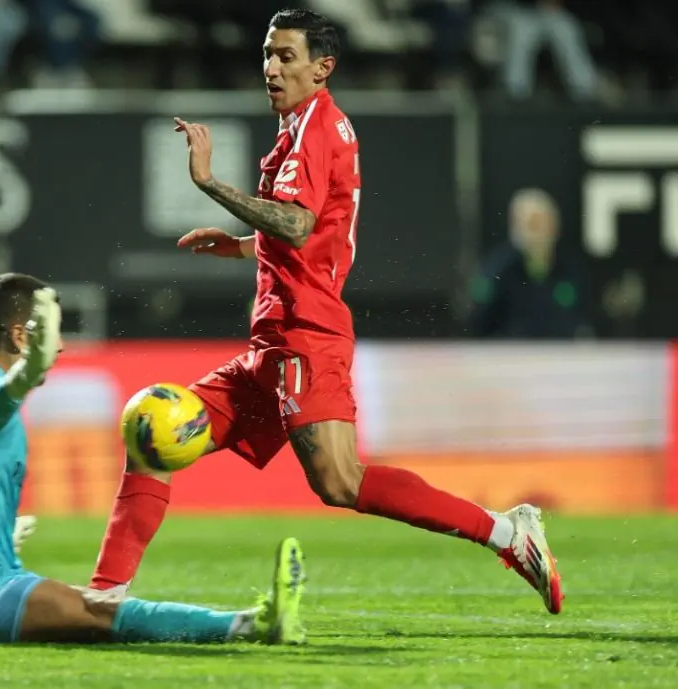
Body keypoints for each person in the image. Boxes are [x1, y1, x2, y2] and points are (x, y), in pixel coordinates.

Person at [87, 9, 564, 616]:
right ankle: (102, 599)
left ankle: (507, 533)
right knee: (152, 439)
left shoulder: (316, 128)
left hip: (305, 337)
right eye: (267, 53)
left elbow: (297, 221)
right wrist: (240, 246)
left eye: (286, 56)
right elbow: (308, 236)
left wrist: (209, 183)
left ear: (323, 67)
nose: (271, 67)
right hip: (272, 346)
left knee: (341, 482)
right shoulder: (300, 128)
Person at [0, 273, 306, 645]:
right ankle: (255, 624)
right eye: (50, 336)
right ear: (22, 337)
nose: (60, 347)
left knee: (82, 611)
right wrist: (22, 380)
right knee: (104, 616)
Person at [468, 187, 593, 339]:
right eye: (532, 224)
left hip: (560, 354)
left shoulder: (571, 268)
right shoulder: (499, 269)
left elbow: (583, 318)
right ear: (516, 226)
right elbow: (479, 320)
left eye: (545, 223)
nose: (539, 231)